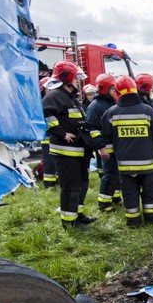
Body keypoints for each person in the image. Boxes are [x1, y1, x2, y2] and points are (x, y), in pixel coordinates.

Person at [43, 60, 109, 230]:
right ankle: (69, 222)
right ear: (66, 78)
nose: (78, 81)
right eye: (75, 77)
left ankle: (78, 216)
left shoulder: (70, 97)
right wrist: (61, 133)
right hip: (66, 152)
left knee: (82, 184)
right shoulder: (54, 95)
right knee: (71, 187)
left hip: (79, 151)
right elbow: (46, 115)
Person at [100, 75, 153, 228]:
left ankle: (133, 222)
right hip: (149, 165)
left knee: (130, 194)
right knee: (151, 192)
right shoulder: (147, 110)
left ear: (118, 92)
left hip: (125, 167)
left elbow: (107, 141)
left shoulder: (111, 114)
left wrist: (112, 161)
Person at [86, 73, 122, 212]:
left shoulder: (111, 102)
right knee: (109, 175)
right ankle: (104, 204)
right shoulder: (95, 106)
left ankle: (115, 198)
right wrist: (101, 148)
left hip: (115, 146)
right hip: (106, 148)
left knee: (116, 174)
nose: (115, 91)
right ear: (105, 88)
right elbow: (93, 129)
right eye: (113, 88)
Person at [38, 77, 58, 188]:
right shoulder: (42, 102)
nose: (51, 90)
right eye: (48, 88)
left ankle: (56, 180)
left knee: (56, 159)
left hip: (55, 134)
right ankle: (49, 183)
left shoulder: (54, 100)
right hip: (47, 135)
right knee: (49, 160)